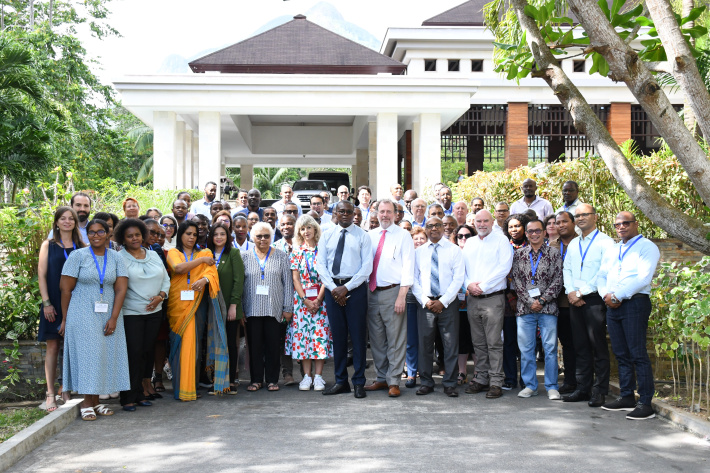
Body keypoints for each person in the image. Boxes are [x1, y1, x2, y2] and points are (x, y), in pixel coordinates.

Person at [59, 219, 130, 420]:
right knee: (87, 356)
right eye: (91, 232)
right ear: (86, 234)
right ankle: (86, 403)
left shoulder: (116, 257)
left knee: (103, 355)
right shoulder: (77, 256)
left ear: (108, 234)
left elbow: (121, 288)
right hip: (82, 312)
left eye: (100, 232)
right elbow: (65, 289)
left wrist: (114, 317)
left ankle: (97, 401)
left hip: (108, 312)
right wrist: (65, 319)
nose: (96, 236)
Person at [597, 211, 660, 420]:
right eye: (617, 225)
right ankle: (626, 397)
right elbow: (602, 275)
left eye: (625, 223)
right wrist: (606, 294)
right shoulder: (613, 250)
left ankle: (645, 402)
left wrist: (618, 295)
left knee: (637, 353)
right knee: (621, 353)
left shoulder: (647, 247)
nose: (621, 227)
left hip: (635, 303)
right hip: (612, 304)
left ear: (636, 224)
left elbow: (643, 278)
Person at [316, 201, 373, 398]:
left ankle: (358, 382)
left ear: (354, 214)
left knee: (357, 338)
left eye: (350, 212)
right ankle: (341, 381)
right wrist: (334, 289)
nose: (346, 215)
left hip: (355, 289)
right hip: (333, 290)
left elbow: (367, 268)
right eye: (342, 211)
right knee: (338, 338)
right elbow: (320, 265)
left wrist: (346, 288)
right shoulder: (327, 235)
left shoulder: (363, 236)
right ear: (336, 213)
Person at [166, 221, 228, 401]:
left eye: (194, 234)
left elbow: (212, 273)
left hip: (197, 303)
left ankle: (191, 387)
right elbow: (178, 268)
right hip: (178, 305)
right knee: (179, 345)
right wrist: (200, 261)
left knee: (195, 345)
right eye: (188, 234)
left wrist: (205, 281)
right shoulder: (174, 252)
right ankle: (180, 388)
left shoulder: (205, 252)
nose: (192, 237)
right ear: (181, 235)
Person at [562, 204, 615, 407]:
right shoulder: (574, 244)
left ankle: (599, 391)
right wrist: (571, 292)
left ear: (595, 216)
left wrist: (582, 292)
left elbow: (604, 272)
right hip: (574, 299)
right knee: (580, 346)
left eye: (585, 214)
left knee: (597, 346)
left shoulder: (605, 242)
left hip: (594, 300)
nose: (581, 218)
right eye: (578, 215)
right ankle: (583, 388)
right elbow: (567, 268)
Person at [115, 219, 170, 411]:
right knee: (133, 354)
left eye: (137, 235)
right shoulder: (118, 257)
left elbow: (166, 279)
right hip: (131, 313)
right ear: (123, 238)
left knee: (147, 352)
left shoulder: (153, 254)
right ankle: (127, 397)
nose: (134, 238)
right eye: (129, 236)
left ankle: (139, 394)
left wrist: (161, 297)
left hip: (155, 312)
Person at [365, 199, 414, 398]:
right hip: (371, 292)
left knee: (395, 338)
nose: (384, 215)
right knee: (377, 339)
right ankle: (381, 378)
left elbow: (408, 267)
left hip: (393, 292)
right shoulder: (370, 236)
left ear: (395, 214)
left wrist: (402, 296)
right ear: (376, 213)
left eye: (388, 212)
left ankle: (394, 381)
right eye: (381, 211)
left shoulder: (403, 236)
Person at [38, 207, 86, 411]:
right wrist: (46, 303)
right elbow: (41, 275)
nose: (67, 222)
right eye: (62, 219)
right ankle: (50, 394)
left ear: (75, 222)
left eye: (71, 219)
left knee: (74, 348)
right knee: (53, 346)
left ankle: (66, 389)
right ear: (56, 222)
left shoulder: (82, 247)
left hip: (76, 303)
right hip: (53, 304)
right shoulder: (48, 245)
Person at [462, 210, 513, 399]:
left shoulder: (501, 241)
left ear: (492, 222)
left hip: (492, 297)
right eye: (478, 221)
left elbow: (504, 268)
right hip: (473, 299)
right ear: (474, 223)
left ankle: (496, 382)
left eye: (485, 221)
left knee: (494, 342)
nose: (482, 224)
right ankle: (481, 378)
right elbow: (462, 268)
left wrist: (482, 286)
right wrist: (468, 284)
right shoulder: (470, 243)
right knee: (478, 343)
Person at [511, 218, 564, 400]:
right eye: (530, 231)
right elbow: (516, 281)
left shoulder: (553, 253)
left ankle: (551, 386)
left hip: (548, 308)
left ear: (544, 232)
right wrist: (529, 301)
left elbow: (558, 280)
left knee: (549, 348)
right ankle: (530, 385)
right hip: (525, 309)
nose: (534, 234)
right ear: (526, 233)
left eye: (537, 231)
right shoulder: (519, 254)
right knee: (526, 349)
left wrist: (541, 300)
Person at [412, 217, 464, 397]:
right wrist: (426, 301)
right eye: (430, 226)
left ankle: (450, 383)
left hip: (447, 304)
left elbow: (458, 279)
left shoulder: (454, 250)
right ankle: (426, 382)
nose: (433, 228)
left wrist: (443, 301)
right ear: (425, 229)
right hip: (425, 304)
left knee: (450, 345)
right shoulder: (419, 252)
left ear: (443, 228)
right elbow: (414, 280)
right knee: (425, 344)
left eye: (437, 225)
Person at [242, 222, 294, 392]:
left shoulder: (281, 256)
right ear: (253, 237)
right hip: (252, 310)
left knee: (273, 346)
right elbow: (240, 285)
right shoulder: (245, 256)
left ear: (271, 237)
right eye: (259, 236)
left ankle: (272, 380)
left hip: (275, 309)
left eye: (266, 236)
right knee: (255, 346)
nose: (263, 239)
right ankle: (256, 380)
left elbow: (288, 284)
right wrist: (241, 308)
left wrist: (288, 308)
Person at [287, 215, 333, 391]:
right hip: (302, 301)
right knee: (303, 338)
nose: (306, 232)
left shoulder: (323, 250)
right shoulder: (297, 252)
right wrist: (305, 300)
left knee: (319, 337)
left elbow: (325, 277)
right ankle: (307, 376)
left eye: (309, 228)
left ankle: (319, 377)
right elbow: (295, 278)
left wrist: (319, 299)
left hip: (321, 300)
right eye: (302, 229)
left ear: (315, 230)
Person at [207, 222, 245, 394]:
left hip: (229, 307)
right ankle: (214, 379)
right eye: (216, 234)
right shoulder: (205, 254)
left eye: (223, 234)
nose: (219, 237)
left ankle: (230, 381)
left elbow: (239, 281)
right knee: (212, 342)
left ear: (228, 236)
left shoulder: (233, 253)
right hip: (210, 307)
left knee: (229, 342)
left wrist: (233, 306)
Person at [549, 211, 578, 394]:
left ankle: (584, 381)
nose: (561, 225)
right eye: (557, 222)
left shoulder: (581, 242)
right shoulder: (552, 245)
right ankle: (569, 381)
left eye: (564, 221)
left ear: (573, 223)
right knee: (566, 344)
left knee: (582, 344)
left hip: (578, 300)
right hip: (558, 303)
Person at [272, 213, 296, 386]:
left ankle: (307, 373)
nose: (286, 227)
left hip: (303, 298)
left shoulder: (303, 245)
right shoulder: (274, 248)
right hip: (281, 299)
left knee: (303, 335)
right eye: (283, 224)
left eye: (289, 224)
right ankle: (287, 373)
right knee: (283, 337)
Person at [403, 226, 428, 388]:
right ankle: (411, 373)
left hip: (427, 301)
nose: (419, 241)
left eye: (422, 238)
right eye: (416, 238)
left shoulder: (429, 254)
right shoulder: (406, 256)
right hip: (410, 301)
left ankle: (424, 370)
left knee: (425, 339)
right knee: (411, 339)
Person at [453, 224, 476, 384]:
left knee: (476, 339)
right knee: (461, 338)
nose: (463, 239)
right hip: (457, 303)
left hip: (475, 300)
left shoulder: (476, 253)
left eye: (467, 236)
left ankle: (478, 372)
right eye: (460, 236)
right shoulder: (453, 253)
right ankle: (462, 372)